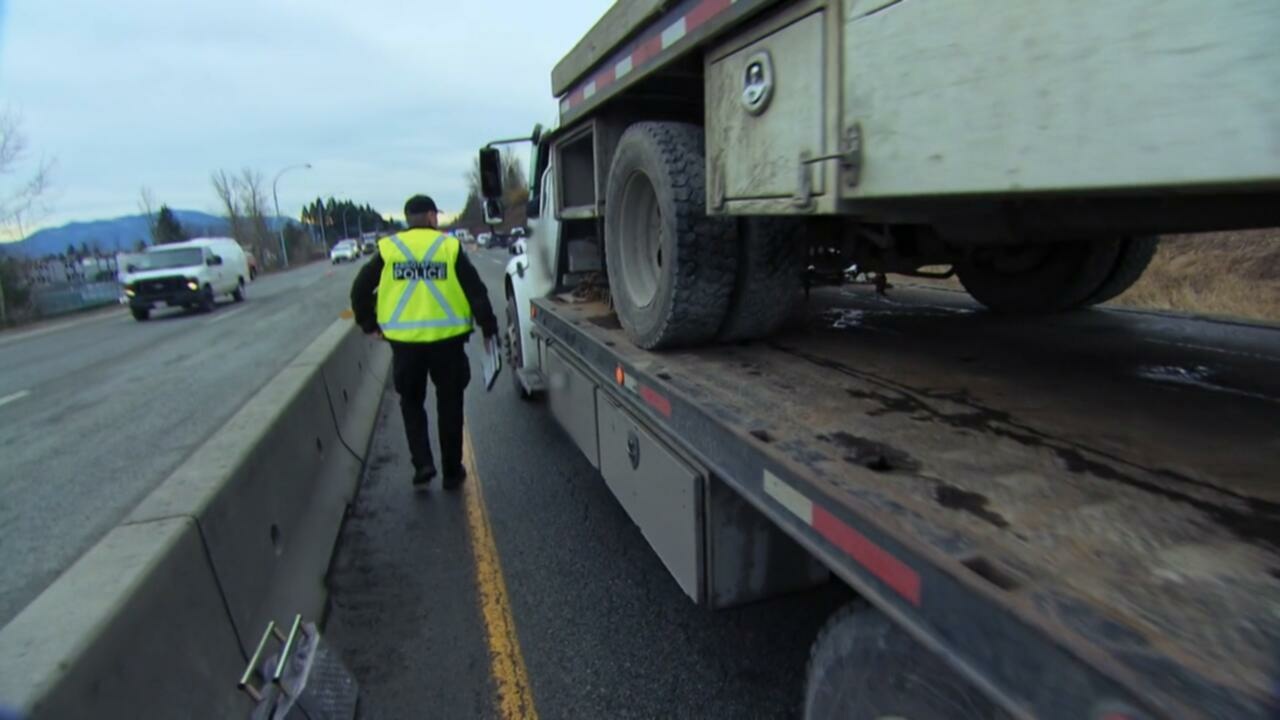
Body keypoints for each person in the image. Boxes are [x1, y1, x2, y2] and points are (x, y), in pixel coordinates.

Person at [350, 194, 498, 491]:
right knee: (450, 403)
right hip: (448, 343)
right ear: (431, 216)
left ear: (408, 218)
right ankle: (452, 471)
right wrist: (488, 327)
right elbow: (476, 291)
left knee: (411, 403)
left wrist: (369, 324)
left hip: (406, 346)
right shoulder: (448, 246)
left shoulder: (390, 249)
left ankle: (423, 465)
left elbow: (359, 290)